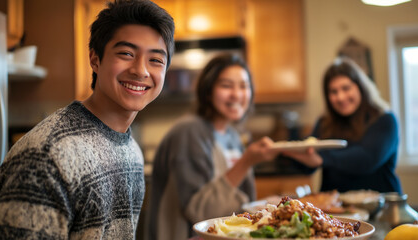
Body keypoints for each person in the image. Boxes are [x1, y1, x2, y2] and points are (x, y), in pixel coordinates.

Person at [0, 0, 174, 239]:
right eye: (126, 53)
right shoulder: (48, 155)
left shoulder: (131, 150)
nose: (141, 70)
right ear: (95, 59)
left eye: (156, 60)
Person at [148, 53, 279, 240]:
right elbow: (201, 213)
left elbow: (237, 203)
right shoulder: (189, 132)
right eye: (226, 85)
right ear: (208, 92)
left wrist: (267, 206)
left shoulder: (232, 135)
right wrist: (247, 161)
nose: (237, 94)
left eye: (244, 86)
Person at [282, 57, 402, 194]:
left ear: (360, 87)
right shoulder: (324, 123)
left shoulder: (384, 119)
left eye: (346, 88)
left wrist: (322, 158)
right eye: (333, 92)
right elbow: (309, 166)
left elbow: (367, 159)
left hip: (380, 208)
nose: (340, 97)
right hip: (334, 209)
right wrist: (293, 153)